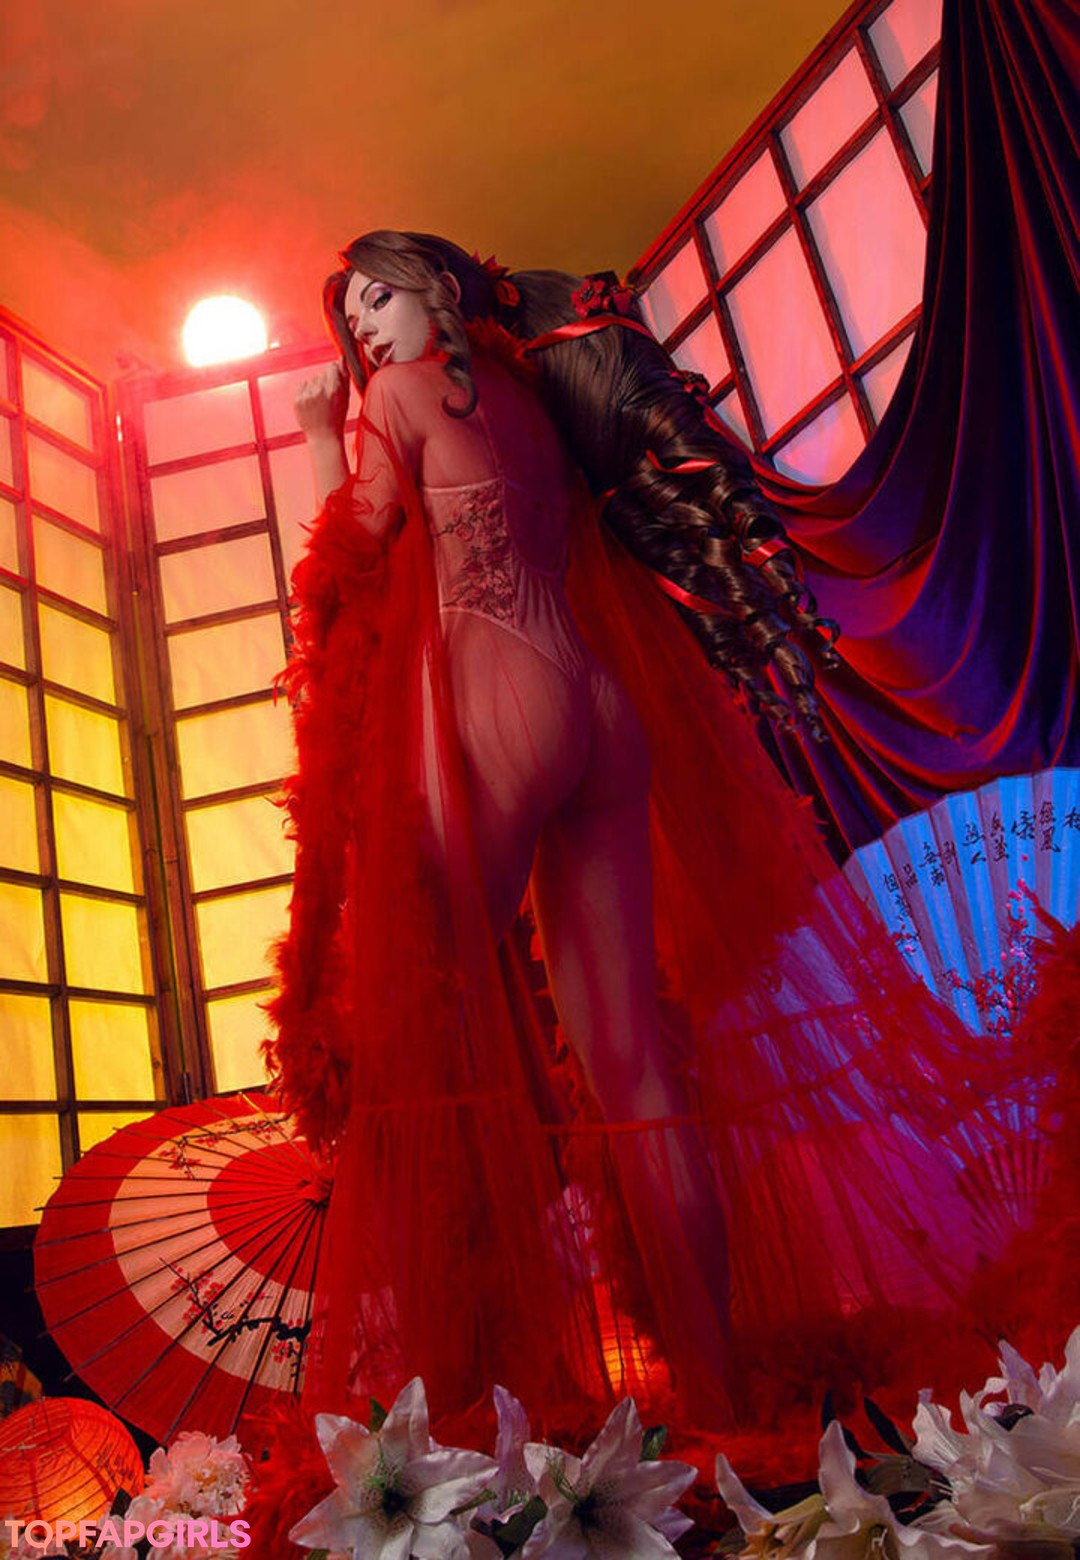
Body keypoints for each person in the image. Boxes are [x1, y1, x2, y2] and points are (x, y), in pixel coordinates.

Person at [265, 232, 1044, 1438]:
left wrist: (323, 433)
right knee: (637, 1075)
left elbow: (351, 558)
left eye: (377, 294)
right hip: (597, 703)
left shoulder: (401, 395)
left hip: (493, 703)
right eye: (350, 314)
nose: (363, 326)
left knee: (441, 1035)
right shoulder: (539, 397)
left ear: (438, 292)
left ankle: (483, 1405)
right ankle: (719, 1387)